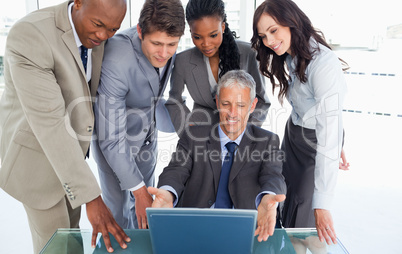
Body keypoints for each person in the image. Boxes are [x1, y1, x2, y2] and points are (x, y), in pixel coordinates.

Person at [0, 0, 130, 253]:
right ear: (78, 3)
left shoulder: (98, 36)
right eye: (98, 24)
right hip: (35, 160)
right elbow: (50, 122)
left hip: (71, 159)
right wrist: (92, 197)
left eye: (113, 29)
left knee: (72, 242)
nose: (103, 35)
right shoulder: (31, 35)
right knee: (56, 247)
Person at [148, 70, 286, 242]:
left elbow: (273, 175)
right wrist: (168, 193)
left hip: (244, 232)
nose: (232, 113)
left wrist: (267, 198)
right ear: (217, 102)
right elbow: (176, 170)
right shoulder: (193, 135)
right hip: (196, 229)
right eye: (226, 104)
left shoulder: (267, 140)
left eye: (241, 105)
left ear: (252, 105)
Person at [251, 0, 348, 245]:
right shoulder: (291, 55)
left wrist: (323, 205)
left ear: (291, 21)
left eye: (273, 30)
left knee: (306, 215)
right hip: (293, 135)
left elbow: (330, 124)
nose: (269, 41)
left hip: (315, 144)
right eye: (263, 35)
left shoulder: (323, 64)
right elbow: (316, 110)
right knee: (285, 199)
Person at [91, 0, 185, 230]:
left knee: (144, 218)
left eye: (172, 44)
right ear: (140, 31)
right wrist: (139, 192)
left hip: (147, 141)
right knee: (117, 217)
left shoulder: (166, 46)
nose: (164, 53)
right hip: (114, 145)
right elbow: (111, 140)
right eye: (157, 44)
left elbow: (156, 95)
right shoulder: (116, 59)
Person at [165, 0, 270, 136]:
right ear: (190, 32)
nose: (206, 44)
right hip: (200, 133)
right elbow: (174, 101)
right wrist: (188, 131)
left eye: (213, 35)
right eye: (197, 37)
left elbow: (261, 100)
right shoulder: (182, 61)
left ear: (223, 27)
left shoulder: (249, 54)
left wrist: (244, 133)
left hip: (240, 132)